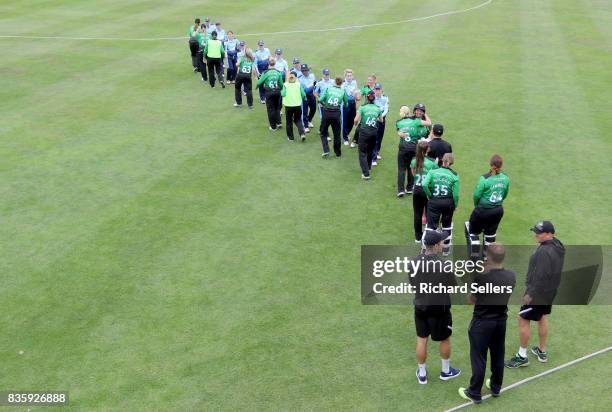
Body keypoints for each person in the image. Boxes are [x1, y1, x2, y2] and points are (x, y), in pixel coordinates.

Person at [458, 243, 516, 404]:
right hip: (500, 321)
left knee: (478, 357)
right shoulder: (511, 276)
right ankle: (496, 386)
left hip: (482, 322)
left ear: (488, 257)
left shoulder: (481, 277)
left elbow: (471, 300)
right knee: (498, 354)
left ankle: (474, 392)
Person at [505, 221, 565, 368]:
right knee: (542, 316)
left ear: (550, 234)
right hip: (550, 291)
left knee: (523, 318)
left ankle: (522, 356)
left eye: (539, 233)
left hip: (538, 293)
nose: (536, 235)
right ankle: (541, 350)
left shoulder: (544, 252)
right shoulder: (558, 245)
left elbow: (540, 275)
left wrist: (530, 294)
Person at [410, 231, 461, 385]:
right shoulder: (444, 266)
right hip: (440, 310)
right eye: (442, 242)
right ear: (437, 245)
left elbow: (413, 284)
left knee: (421, 339)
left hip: (421, 307)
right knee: (444, 339)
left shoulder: (413, 263)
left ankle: (423, 374)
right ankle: (446, 371)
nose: (444, 244)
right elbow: (452, 287)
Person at [465, 155, 510, 261]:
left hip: (482, 210)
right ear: (501, 165)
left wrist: (477, 205)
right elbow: (505, 193)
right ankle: (486, 257)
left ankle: (474, 257)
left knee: (472, 232)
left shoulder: (484, 178)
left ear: (490, 165)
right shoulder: (506, 178)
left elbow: (476, 195)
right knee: (490, 234)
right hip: (498, 210)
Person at [422, 153, 460, 256]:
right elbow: (456, 194)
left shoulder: (433, 171)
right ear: (451, 162)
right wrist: (455, 205)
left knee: (430, 226)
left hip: (434, 202)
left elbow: (424, 184)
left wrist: (430, 195)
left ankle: (426, 249)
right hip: (448, 203)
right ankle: (446, 250)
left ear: (442, 160)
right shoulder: (455, 175)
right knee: (447, 226)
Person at [397, 105, 432, 197]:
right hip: (414, 148)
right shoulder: (416, 122)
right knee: (411, 167)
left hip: (403, 147)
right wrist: (425, 114)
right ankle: (409, 188)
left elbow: (399, 133)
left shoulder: (399, 122)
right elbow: (429, 123)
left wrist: (400, 133)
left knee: (401, 169)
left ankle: (400, 190)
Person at [410, 141, 438, 243]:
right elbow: (435, 177)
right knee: (429, 213)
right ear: (427, 150)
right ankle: (427, 236)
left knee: (417, 214)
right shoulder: (432, 162)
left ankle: (418, 237)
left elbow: (413, 173)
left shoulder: (414, 161)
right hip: (427, 190)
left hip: (417, 189)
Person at [353, 91, 383, 179]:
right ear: (374, 99)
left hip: (364, 132)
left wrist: (356, 124)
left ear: (367, 98)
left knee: (362, 152)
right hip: (373, 132)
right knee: (370, 150)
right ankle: (368, 168)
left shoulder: (362, 107)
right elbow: (381, 120)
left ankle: (366, 174)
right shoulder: (377, 108)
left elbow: (355, 120)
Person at [318, 76, 348, 157]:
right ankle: (338, 153)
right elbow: (346, 103)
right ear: (341, 83)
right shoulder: (343, 91)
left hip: (326, 113)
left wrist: (325, 105)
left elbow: (320, 99)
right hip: (336, 114)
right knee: (337, 134)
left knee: (323, 132)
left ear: (334, 82)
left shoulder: (328, 88)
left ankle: (326, 150)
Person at [256, 57, 284, 131]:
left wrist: (256, 87)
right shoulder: (278, 72)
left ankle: (273, 127)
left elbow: (259, 82)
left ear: (268, 63)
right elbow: (281, 84)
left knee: (270, 109)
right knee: (277, 107)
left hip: (269, 92)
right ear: (275, 63)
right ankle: (279, 122)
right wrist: (281, 89)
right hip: (277, 92)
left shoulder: (265, 72)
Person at [281, 71, 306, 142]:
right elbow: (303, 94)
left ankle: (291, 137)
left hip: (288, 106)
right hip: (297, 105)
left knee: (289, 121)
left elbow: (283, 94)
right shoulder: (298, 84)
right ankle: (302, 133)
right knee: (298, 119)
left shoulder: (285, 84)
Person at [372, 83, 389, 166]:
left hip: (382, 120)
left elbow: (386, 109)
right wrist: (377, 117)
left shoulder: (385, 98)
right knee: (374, 138)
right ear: (374, 90)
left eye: (378, 89)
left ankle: (377, 152)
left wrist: (381, 117)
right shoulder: (372, 97)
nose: (377, 91)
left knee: (380, 137)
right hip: (374, 120)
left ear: (381, 90)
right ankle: (373, 158)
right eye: (376, 89)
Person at [341, 69, 358, 146]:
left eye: (350, 75)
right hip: (345, 104)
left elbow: (356, 94)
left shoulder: (354, 82)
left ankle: (347, 133)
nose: (349, 77)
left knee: (352, 120)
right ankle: (345, 138)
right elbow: (347, 94)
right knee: (345, 121)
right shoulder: (343, 84)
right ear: (345, 76)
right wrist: (352, 92)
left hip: (353, 103)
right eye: (348, 76)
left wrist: (356, 103)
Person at [298, 64, 317, 132]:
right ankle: (305, 126)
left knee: (313, 109)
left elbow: (315, 83)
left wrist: (315, 89)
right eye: (303, 71)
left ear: (308, 70)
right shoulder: (300, 78)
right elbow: (305, 90)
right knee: (304, 111)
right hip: (304, 96)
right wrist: (311, 87)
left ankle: (309, 120)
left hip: (312, 95)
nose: (305, 72)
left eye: (306, 70)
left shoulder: (312, 75)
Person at [314, 69, 333, 136]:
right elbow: (315, 92)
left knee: (328, 118)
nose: (327, 76)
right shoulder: (319, 83)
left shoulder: (333, 82)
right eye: (325, 74)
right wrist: (319, 99)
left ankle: (321, 129)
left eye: (328, 74)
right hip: (322, 103)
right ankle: (326, 134)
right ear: (323, 75)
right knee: (323, 118)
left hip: (331, 103)